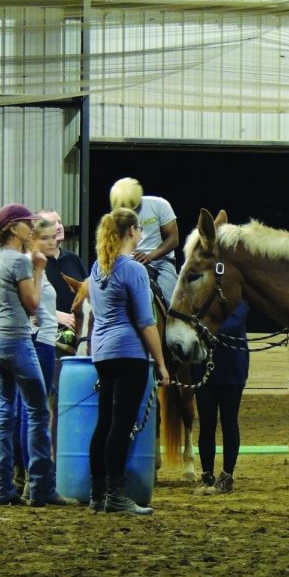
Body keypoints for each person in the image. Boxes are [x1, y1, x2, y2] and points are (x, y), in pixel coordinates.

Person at [0, 203, 73, 507]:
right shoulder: (20, 262)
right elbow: (33, 304)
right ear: (12, 228)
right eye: (26, 224)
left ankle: (4, 488)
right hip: (16, 341)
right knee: (37, 412)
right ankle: (40, 487)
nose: (31, 229)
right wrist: (38, 269)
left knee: (5, 414)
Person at [88, 207, 170, 515]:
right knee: (121, 425)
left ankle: (97, 495)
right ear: (133, 231)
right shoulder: (134, 270)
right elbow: (146, 322)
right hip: (129, 352)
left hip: (102, 353)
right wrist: (161, 364)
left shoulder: (97, 268)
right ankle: (117, 496)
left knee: (105, 423)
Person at [14, 217, 61, 497]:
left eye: (53, 237)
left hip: (39, 341)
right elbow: (31, 308)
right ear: (32, 240)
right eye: (45, 238)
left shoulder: (30, 264)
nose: (52, 242)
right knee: (34, 413)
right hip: (38, 342)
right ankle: (35, 480)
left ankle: (23, 477)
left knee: (25, 411)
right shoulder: (32, 266)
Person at [191, 302, 250, 496]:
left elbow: (234, 322)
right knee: (206, 423)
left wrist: (205, 327)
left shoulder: (239, 301)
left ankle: (227, 477)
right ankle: (207, 475)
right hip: (204, 367)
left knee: (229, 422)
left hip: (232, 369)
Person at [109, 177, 180, 306]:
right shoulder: (115, 218)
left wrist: (150, 256)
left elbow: (173, 239)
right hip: (128, 262)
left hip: (160, 263)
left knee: (173, 302)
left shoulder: (159, 205)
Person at [38, 210, 86, 347]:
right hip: (43, 338)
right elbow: (23, 303)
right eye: (52, 223)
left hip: (74, 338)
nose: (59, 226)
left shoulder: (74, 260)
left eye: (60, 222)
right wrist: (56, 316)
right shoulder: (33, 263)